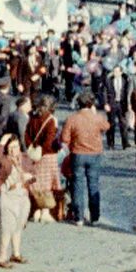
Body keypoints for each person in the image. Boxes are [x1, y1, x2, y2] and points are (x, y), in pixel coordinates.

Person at [0, 134, 36, 269]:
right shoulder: (5, 160)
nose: (14, 150)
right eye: (11, 147)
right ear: (7, 149)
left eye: (16, 146)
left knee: (19, 226)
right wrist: (2, 141)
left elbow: (34, 173)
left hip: (23, 197)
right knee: (7, 228)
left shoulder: (24, 158)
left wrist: (29, 177)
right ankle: (1, 257)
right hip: (8, 196)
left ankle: (16, 254)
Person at [59, 91, 110, 226]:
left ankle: (79, 217)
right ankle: (94, 217)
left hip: (77, 154)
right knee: (93, 185)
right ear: (92, 104)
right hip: (94, 154)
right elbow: (107, 126)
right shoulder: (96, 117)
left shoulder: (72, 118)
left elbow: (64, 138)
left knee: (77, 185)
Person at [24, 95, 63, 223]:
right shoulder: (51, 120)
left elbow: (26, 135)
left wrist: (32, 147)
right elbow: (49, 141)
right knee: (47, 185)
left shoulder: (33, 119)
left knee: (36, 183)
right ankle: (45, 212)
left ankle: (35, 210)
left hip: (34, 155)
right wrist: (42, 150)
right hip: (48, 156)